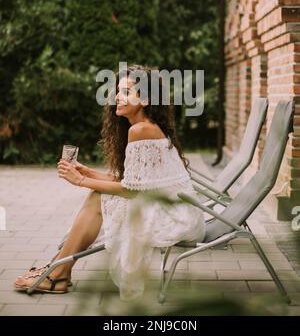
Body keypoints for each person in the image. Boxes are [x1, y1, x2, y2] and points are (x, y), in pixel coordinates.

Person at [14, 64, 206, 300]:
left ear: (145, 100)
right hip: (171, 205)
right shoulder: (144, 127)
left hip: (175, 215)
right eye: (117, 90)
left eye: (126, 91)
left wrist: (82, 180)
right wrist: (88, 172)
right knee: (98, 195)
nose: (117, 96)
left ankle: (59, 273)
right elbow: (134, 182)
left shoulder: (141, 130)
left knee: (97, 197)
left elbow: (130, 191)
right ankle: (58, 270)